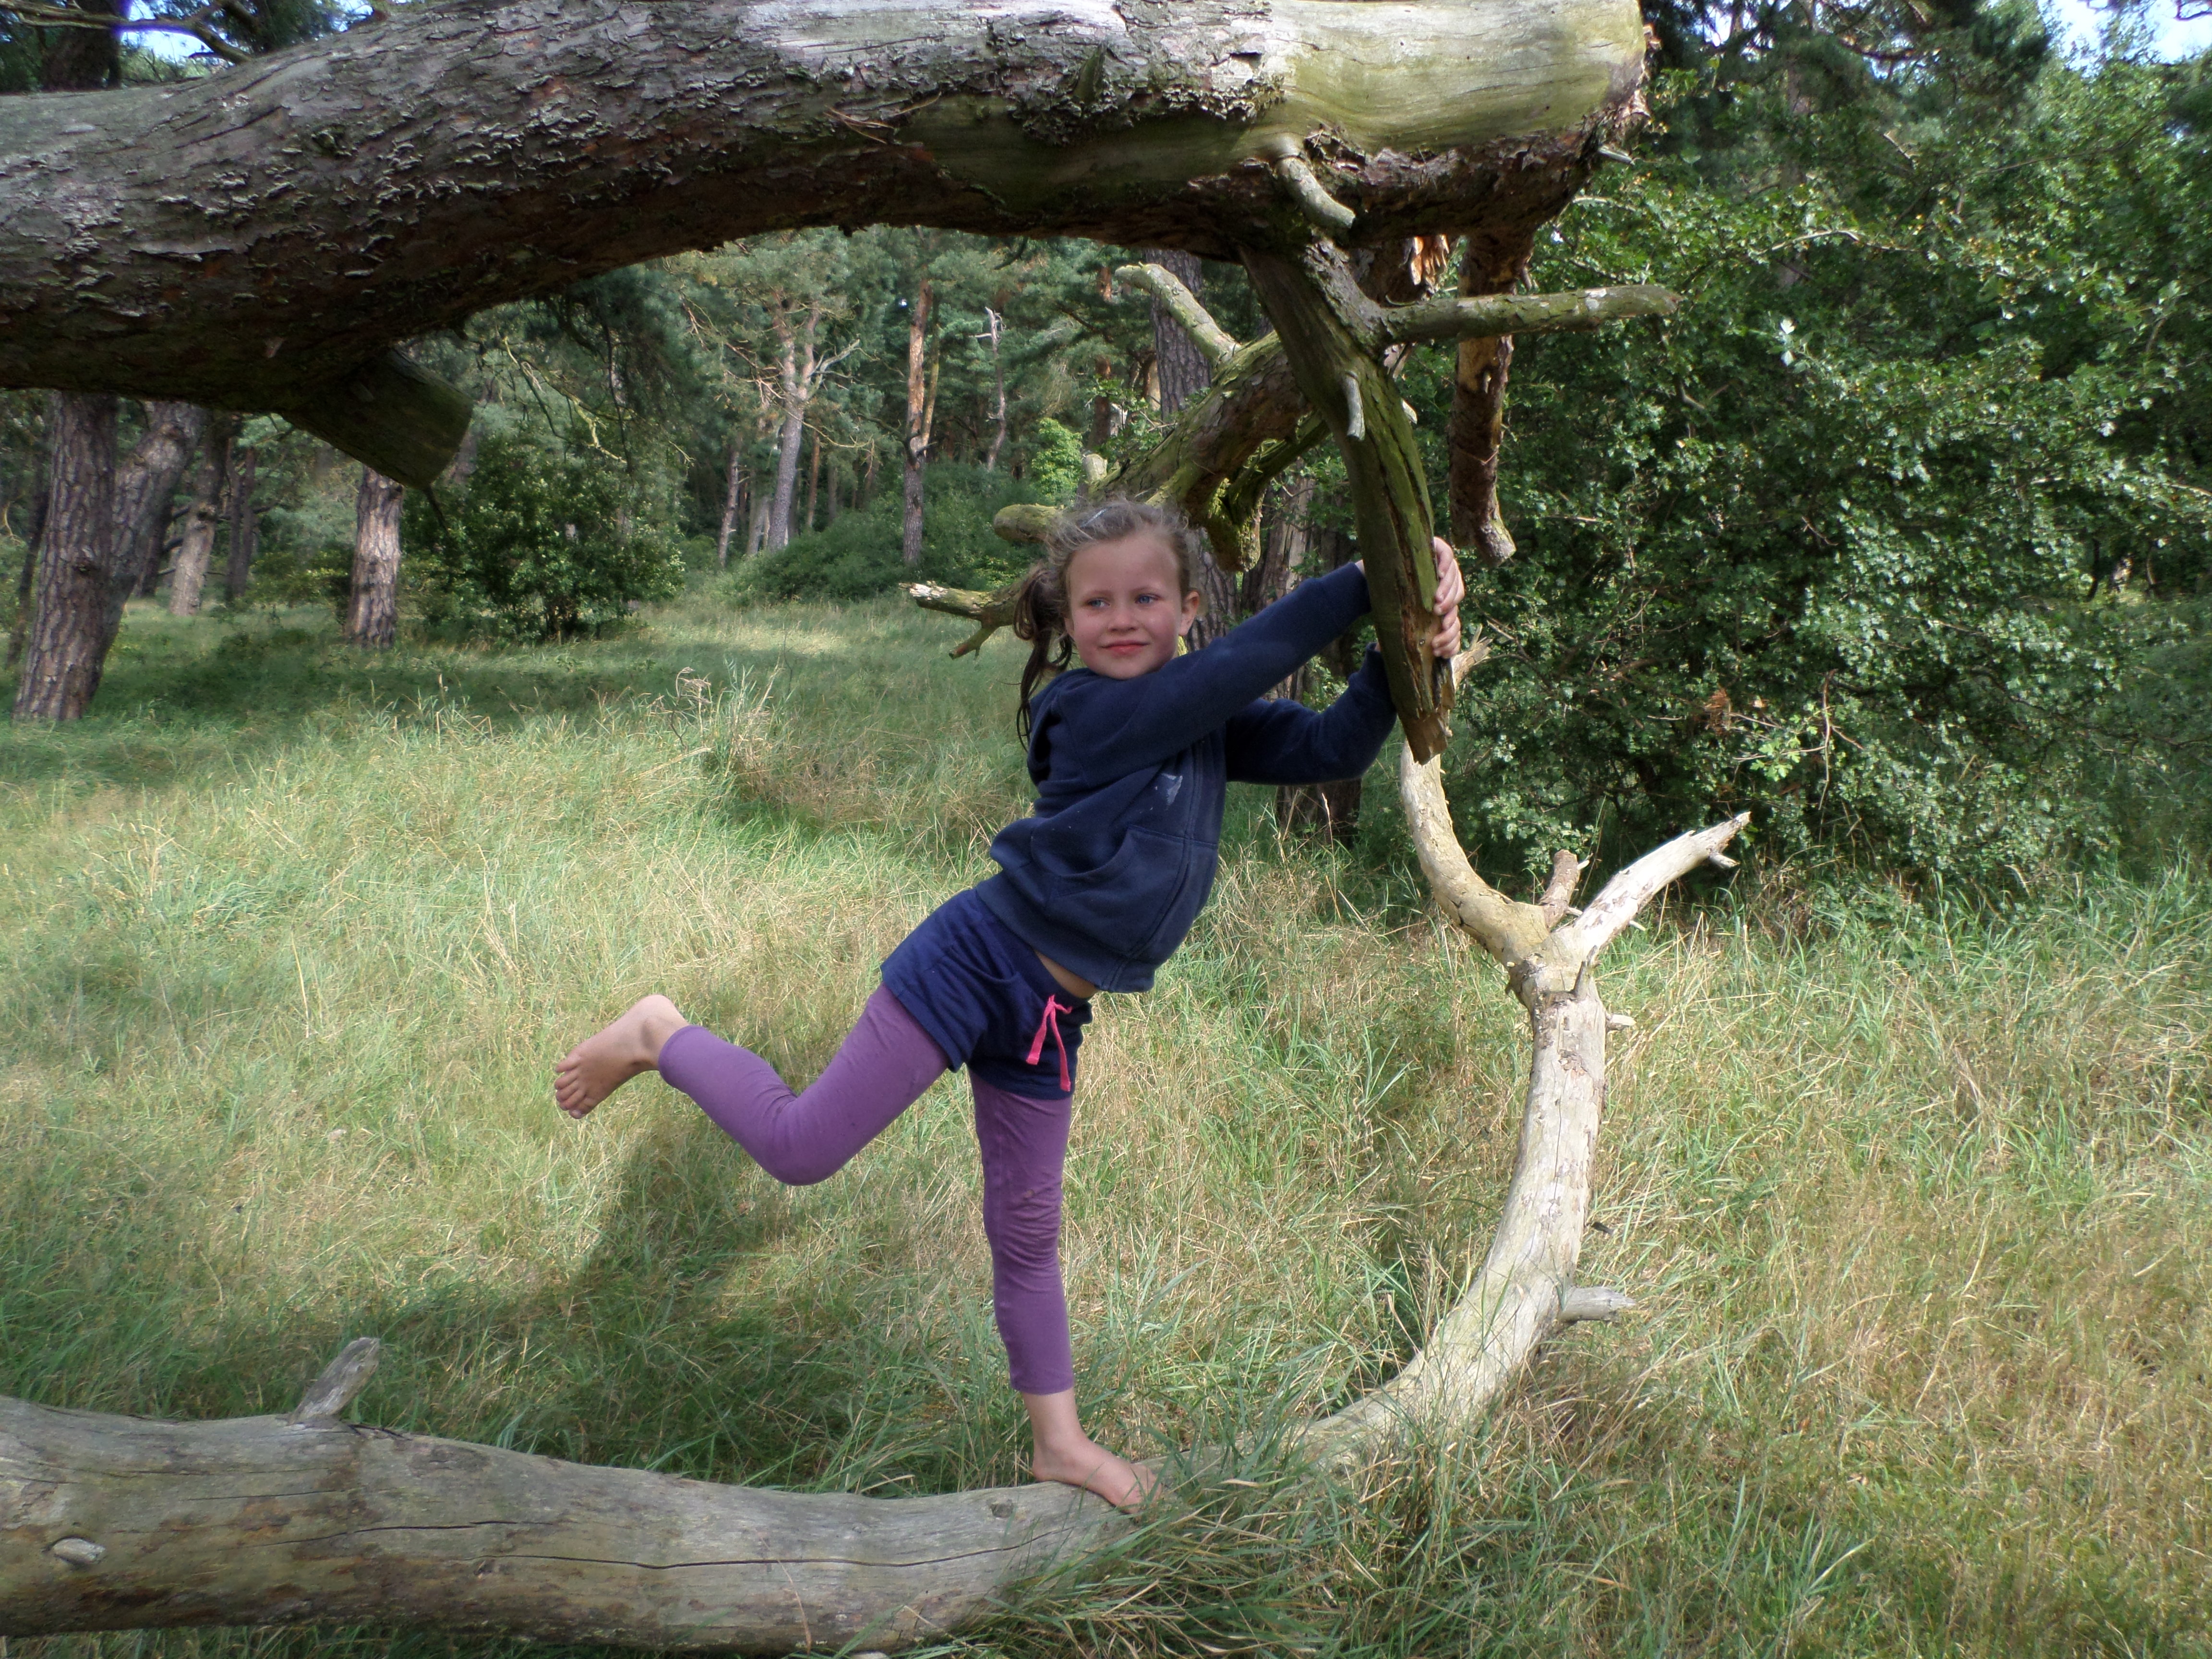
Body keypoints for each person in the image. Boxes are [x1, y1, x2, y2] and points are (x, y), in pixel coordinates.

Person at [554, 499, 1464, 1509]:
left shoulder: (1198, 718)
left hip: (1047, 1020)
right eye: (1097, 603)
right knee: (801, 1149)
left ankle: (1059, 1445)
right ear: (1066, 620)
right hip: (973, 966)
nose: (1123, 619)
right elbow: (1235, 669)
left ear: (1189, 609)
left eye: (1147, 598)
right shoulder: (1087, 712)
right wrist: (1373, 576)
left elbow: (1334, 747)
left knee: (1026, 1238)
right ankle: (660, 1032)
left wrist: (1401, 646)